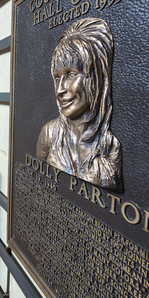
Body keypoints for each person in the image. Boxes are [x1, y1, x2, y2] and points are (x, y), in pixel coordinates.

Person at [35, 18, 123, 191]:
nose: (60, 89)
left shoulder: (110, 148)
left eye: (71, 74)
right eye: (57, 78)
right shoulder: (49, 134)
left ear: (95, 78)